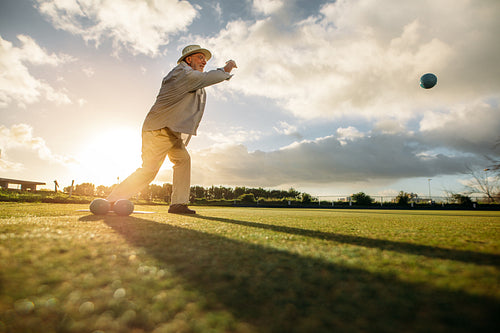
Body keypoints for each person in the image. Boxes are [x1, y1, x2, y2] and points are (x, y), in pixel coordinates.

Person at [106, 45, 237, 214]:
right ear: (188, 59)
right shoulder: (182, 73)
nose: (204, 61)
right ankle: (112, 200)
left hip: (171, 131)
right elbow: (208, 78)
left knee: (183, 160)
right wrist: (226, 69)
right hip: (159, 129)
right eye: (200, 57)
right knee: (149, 170)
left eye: (205, 59)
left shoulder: (190, 75)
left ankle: (178, 204)